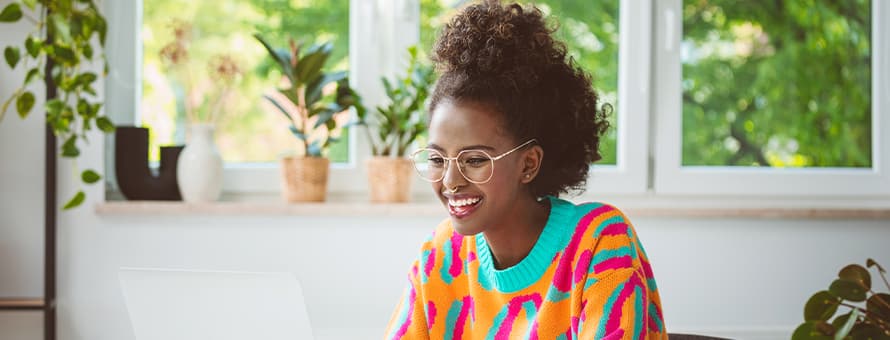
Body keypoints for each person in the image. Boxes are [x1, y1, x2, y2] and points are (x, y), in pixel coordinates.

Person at [384, 1, 666, 339]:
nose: (450, 181)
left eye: (474, 160)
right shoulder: (440, 256)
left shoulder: (598, 243)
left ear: (528, 164)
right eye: (438, 159)